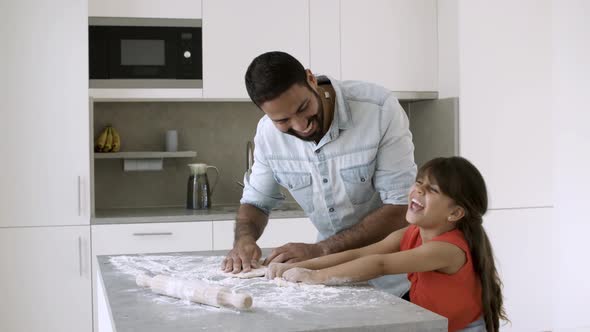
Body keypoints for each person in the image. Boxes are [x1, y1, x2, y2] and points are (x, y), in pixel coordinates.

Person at [221, 51, 417, 296]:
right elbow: (255, 202)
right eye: (283, 120)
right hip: (324, 281)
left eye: (304, 107)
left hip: (394, 281)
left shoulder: (377, 110)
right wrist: (244, 240)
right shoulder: (267, 135)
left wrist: (322, 250)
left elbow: (400, 208)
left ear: (311, 78)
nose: (301, 125)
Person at [266, 156, 508, 332]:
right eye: (419, 182)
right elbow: (359, 253)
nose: (418, 190)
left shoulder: (447, 249)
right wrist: (302, 266)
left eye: (432, 189)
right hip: (434, 324)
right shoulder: (412, 233)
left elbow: (380, 263)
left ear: (455, 213)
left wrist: (316, 278)